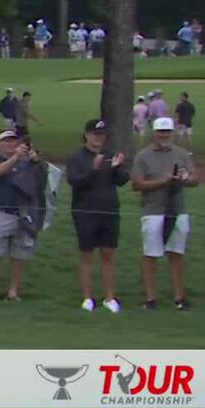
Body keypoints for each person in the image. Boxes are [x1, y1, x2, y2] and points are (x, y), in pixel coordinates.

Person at [131, 117, 198, 310]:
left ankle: (179, 297)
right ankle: (151, 298)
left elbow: (194, 179)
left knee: (176, 253)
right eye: (161, 132)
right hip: (153, 211)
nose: (164, 135)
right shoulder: (143, 156)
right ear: (154, 133)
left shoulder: (181, 154)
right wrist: (163, 181)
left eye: (167, 132)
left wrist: (183, 179)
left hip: (178, 210)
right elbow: (137, 184)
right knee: (151, 255)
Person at [67, 119, 128, 313]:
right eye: (95, 134)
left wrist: (118, 167)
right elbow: (75, 181)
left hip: (109, 209)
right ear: (86, 135)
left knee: (108, 253)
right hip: (85, 211)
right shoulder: (77, 157)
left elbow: (122, 181)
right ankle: (87, 297)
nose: (98, 139)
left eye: (101, 135)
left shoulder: (109, 155)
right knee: (87, 254)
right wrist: (93, 169)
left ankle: (110, 297)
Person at [0, 131, 40, 302]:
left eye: (13, 141)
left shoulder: (25, 162)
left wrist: (35, 161)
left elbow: (41, 179)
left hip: (23, 213)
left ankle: (13, 292)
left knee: (19, 256)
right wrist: (15, 158)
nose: (10, 145)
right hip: (1, 212)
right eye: (6, 141)